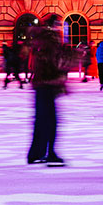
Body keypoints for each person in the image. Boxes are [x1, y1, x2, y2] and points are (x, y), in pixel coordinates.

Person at [27, 14, 75, 166]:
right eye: (59, 23)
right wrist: (75, 55)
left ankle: (36, 153)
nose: (60, 26)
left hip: (41, 84)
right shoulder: (51, 39)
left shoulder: (41, 38)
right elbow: (57, 61)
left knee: (41, 120)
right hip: (49, 83)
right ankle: (50, 153)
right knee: (50, 121)